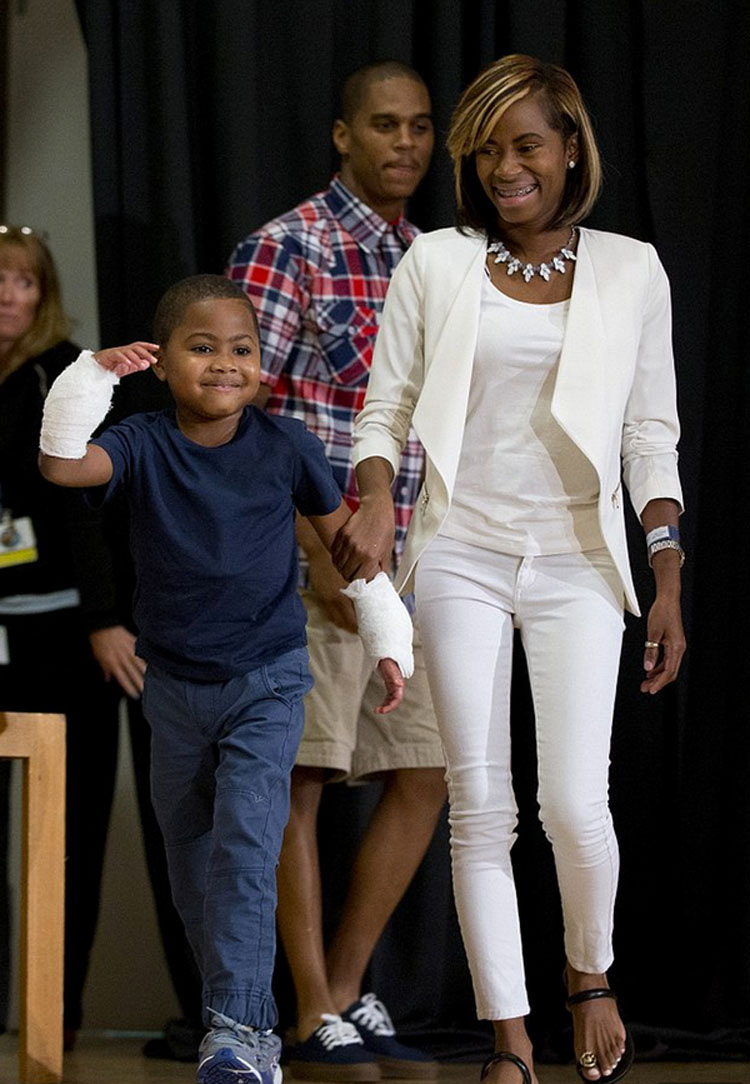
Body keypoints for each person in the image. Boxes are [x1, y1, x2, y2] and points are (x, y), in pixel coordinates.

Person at [333, 55, 686, 1084]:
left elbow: (651, 435)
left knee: (575, 803)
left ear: (570, 145)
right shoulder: (436, 262)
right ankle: (509, 1038)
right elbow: (384, 408)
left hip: (582, 556)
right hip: (460, 552)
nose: (504, 167)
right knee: (479, 805)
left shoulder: (632, 268)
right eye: (485, 150)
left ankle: (589, 971)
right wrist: (374, 493)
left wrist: (665, 570)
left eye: (524, 143)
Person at [39, 274, 410, 1084]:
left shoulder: (288, 447)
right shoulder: (140, 442)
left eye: (240, 348)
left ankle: (240, 1036)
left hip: (269, 682)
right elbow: (62, 465)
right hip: (173, 689)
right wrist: (92, 375)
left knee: (247, 845)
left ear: (262, 364)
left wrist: (390, 639)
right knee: (191, 869)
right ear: (162, 362)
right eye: (200, 348)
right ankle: (241, 1022)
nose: (223, 363)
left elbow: (349, 551)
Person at [227, 59, 445, 1082]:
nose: (404, 143)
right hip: (315, 556)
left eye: (420, 128)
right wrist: (317, 539)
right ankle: (308, 1006)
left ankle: (348, 988)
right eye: (383, 126)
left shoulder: (434, 259)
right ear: (342, 136)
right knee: (301, 775)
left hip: (412, 562)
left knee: (429, 771)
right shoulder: (289, 247)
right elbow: (241, 411)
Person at [0, 223, 122, 1043]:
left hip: (64, 642)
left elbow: (90, 508)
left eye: (25, 281)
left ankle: (55, 1024)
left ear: (45, 294)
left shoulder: (68, 373)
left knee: (65, 837)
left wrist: (108, 619)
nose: (10, 295)